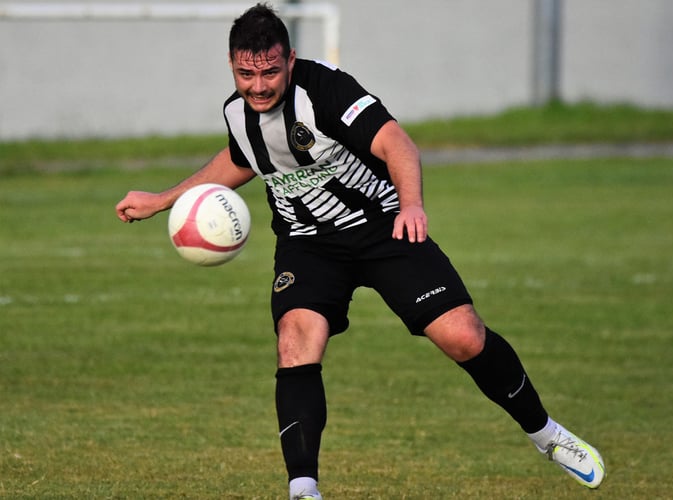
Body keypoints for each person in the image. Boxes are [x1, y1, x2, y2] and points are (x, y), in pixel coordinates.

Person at [116, 4, 605, 498]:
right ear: (231, 65)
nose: (258, 86)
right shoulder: (238, 112)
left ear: (290, 59)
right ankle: (303, 489)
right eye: (246, 74)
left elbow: (398, 145)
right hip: (307, 245)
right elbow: (242, 158)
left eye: (269, 72)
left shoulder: (326, 90)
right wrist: (161, 201)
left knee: (464, 337)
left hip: (384, 229)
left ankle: (547, 436)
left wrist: (411, 205)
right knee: (295, 342)